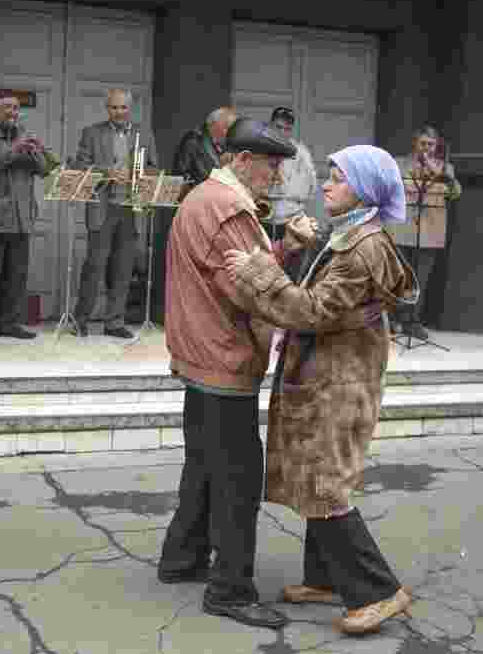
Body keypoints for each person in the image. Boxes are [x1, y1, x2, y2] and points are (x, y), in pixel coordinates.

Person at [222, 144, 418, 635]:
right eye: (329, 175)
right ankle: (325, 578)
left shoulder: (363, 247)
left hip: (340, 383)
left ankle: (379, 592)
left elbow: (311, 312)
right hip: (330, 375)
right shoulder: (351, 235)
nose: (327, 185)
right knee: (316, 476)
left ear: (367, 191)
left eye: (339, 178)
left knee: (326, 486)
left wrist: (257, 272)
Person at [158, 118, 308, 630]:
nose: (277, 177)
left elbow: (240, 272)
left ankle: (182, 558)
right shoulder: (228, 208)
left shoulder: (206, 198)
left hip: (202, 355)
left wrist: (280, 248)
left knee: (203, 463)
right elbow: (247, 288)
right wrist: (303, 298)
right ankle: (231, 589)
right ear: (242, 160)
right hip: (222, 358)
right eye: (271, 165)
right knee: (239, 477)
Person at [0, 89, 59, 342]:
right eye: (7, 107)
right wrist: (14, 150)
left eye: (16, 108)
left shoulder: (23, 132)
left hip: (22, 214)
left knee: (17, 273)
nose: (13, 112)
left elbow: (44, 170)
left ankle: (11, 321)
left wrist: (37, 151)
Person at [70, 89, 158, 338]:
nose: (119, 112)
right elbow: (80, 166)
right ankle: (81, 319)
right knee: (94, 266)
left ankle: (114, 322)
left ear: (131, 108)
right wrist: (107, 172)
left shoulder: (144, 133)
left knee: (123, 267)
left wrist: (139, 176)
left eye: (123, 108)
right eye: (114, 108)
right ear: (107, 108)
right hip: (102, 206)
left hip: (132, 208)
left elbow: (153, 167)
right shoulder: (92, 133)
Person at [149, 106, 240, 325]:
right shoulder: (194, 140)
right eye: (227, 127)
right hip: (196, 210)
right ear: (213, 125)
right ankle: (180, 318)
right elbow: (180, 177)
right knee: (190, 267)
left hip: (219, 211)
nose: (230, 132)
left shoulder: (228, 146)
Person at [390, 125, 462, 340]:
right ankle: (395, 318)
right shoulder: (399, 163)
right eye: (423, 144)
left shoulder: (445, 168)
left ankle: (413, 320)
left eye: (431, 145)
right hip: (402, 228)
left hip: (430, 230)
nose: (426, 149)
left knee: (421, 279)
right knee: (400, 276)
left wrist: (434, 169)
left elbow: (456, 192)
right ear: (415, 143)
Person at [262, 107, 319, 243]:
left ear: (291, 130)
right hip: (263, 220)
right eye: (278, 127)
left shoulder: (301, 153)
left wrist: (286, 189)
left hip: (291, 220)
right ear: (270, 125)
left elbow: (311, 189)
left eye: (287, 129)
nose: (282, 132)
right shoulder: (259, 149)